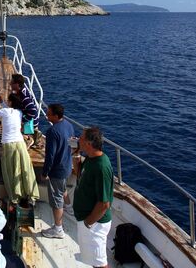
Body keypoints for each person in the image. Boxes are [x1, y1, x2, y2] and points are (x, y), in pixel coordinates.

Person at [0, 93, 39, 204]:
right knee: (25, 168)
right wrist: (2, 103)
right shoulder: (18, 112)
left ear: (10, 102)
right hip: (20, 143)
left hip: (9, 144)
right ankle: (31, 195)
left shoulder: (5, 112)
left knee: (11, 170)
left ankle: (15, 197)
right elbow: (9, 110)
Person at [73, 126, 114, 268]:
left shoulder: (101, 167)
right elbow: (81, 176)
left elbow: (104, 204)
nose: (79, 139)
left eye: (81, 138)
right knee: (93, 260)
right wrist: (76, 155)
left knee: (100, 262)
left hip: (94, 223)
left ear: (89, 144)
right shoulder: (90, 159)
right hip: (87, 220)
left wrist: (88, 223)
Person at [40, 104, 75, 239]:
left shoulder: (52, 131)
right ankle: (70, 208)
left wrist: (45, 172)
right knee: (63, 188)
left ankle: (58, 229)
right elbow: (73, 144)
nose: (46, 116)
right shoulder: (68, 125)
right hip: (67, 166)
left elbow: (50, 156)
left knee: (56, 199)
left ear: (56, 116)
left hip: (57, 170)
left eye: (49, 114)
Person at [10, 73, 41, 148]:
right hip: (30, 119)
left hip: (30, 122)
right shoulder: (22, 91)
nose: (10, 84)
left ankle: (29, 138)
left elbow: (32, 111)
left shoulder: (25, 97)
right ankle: (34, 135)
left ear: (17, 85)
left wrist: (23, 121)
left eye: (12, 83)